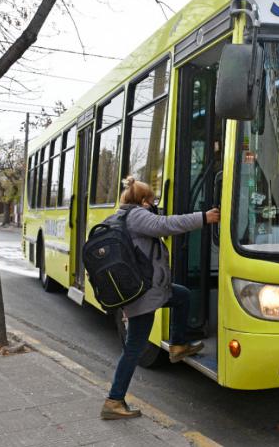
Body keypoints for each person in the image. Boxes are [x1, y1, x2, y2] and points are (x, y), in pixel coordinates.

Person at [101, 177, 220, 420]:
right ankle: (114, 401)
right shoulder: (137, 216)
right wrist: (203, 217)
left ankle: (177, 345)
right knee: (134, 348)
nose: (154, 204)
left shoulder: (117, 217)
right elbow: (167, 224)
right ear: (143, 201)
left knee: (182, 296)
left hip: (146, 290)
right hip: (144, 295)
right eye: (152, 200)